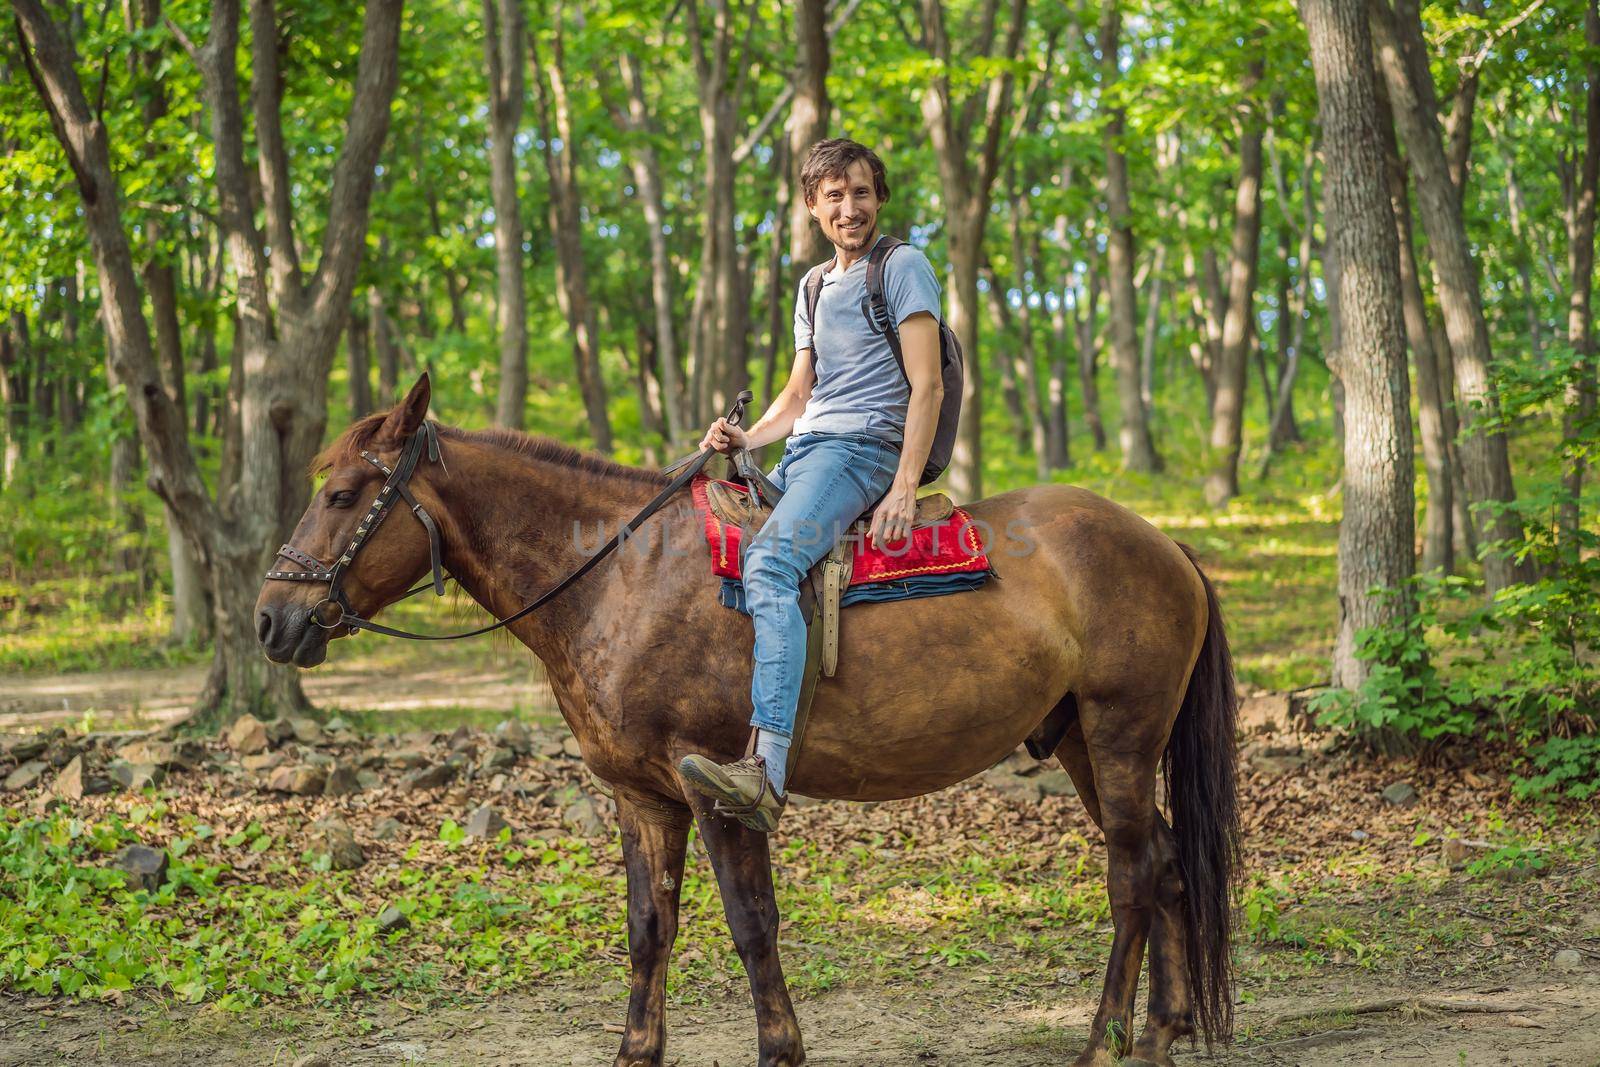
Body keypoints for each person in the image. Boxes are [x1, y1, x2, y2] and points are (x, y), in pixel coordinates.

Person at [678, 138, 945, 831]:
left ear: (878, 198)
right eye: (834, 196)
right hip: (806, 450)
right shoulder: (813, 285)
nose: (849, 208)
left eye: (860, 193)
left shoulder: (904, 267)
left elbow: (928, 385)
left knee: (770, 562)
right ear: (812, 207)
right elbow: (799, 394)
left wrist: (905, 485)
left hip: (862, 450)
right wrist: (747, 438)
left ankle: (765, 771)